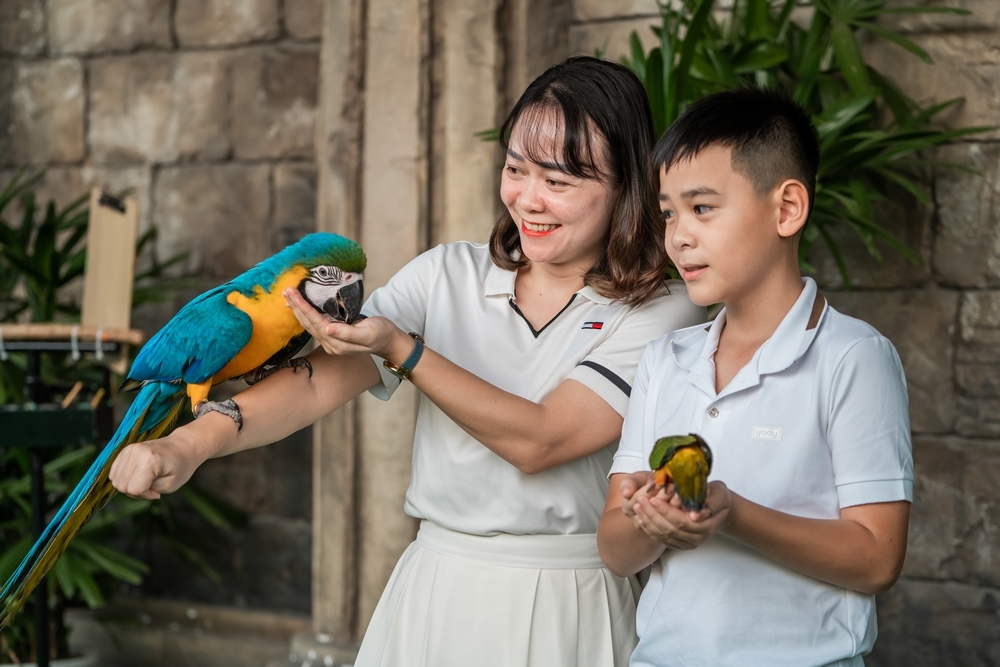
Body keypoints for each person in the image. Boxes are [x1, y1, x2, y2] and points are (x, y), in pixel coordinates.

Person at [109, 56, 704, 667]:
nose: (528, 199)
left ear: (627, 185)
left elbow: (543, 440)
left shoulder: (663, 309)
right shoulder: (444, 274)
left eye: (559, 182)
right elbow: (316, 385)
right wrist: (185, 446)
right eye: (516, 169)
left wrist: (404, 350)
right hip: (437, 588)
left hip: (572, 601)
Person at [597, 87, 913, 667]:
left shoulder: (854, 357)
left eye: (702, 208)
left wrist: (733, 514)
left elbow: (876, 558)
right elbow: (616, 550)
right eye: (668, 212)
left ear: (787, 208)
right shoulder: (666, 358)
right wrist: (654, 521)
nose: (678, 236)